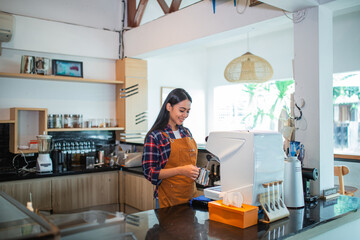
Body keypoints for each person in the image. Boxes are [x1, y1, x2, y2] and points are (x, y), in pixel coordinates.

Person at [142, 88, 200, 208]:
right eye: (182, 110)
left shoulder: (187, 133)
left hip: (190, 197)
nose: (185, 115)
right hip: (168, 200)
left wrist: (194, 171)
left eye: (188, 111)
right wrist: (180, 170)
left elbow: (188, 163)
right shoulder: (156, 136)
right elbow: (149, 172)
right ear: (169, 107)